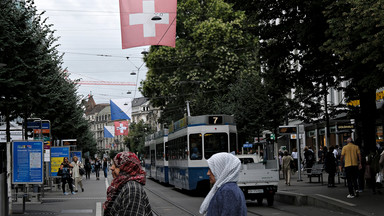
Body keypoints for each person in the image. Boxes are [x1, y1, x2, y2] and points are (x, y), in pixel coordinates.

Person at [103, 152, 152, 216]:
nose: (111, 168)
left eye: (116, 165)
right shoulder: (122, 185)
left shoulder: (133, 189)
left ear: (127, 168)